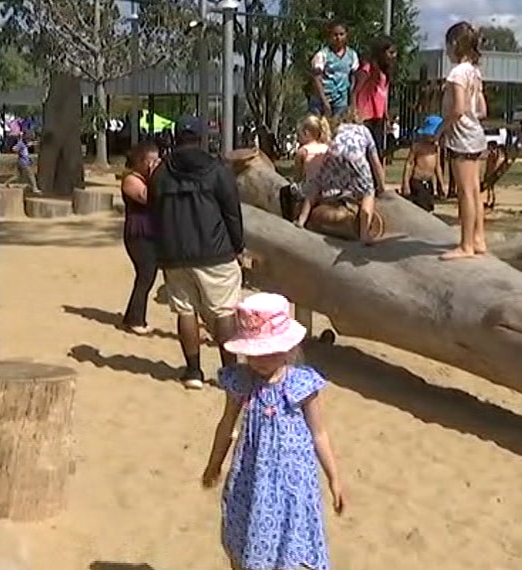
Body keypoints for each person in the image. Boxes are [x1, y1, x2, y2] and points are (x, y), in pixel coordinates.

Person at [201, 292, 344, 570]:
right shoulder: (240, 381)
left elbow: (319, 433)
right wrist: (214, 464)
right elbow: (226, 426)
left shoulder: (302, 384)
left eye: (270, 352)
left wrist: (334, 478)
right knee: (244, 536)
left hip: (293, 482)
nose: (262, 360)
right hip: (251, 475)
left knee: (291, 543)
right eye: (255, 353)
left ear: (288, 347)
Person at [148, 116, 244, 389]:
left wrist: (161, 250)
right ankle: (230, 373)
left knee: (185, 311)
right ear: (202, 138)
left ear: (176, 138)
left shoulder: (161, 173)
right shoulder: (217, 170)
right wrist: (238, 245)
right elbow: (232, 213)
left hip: (174, 254)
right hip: (215, 251)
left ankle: (193, 372)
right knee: (223, 311)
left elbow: (155, 215)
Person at [295, 108, 386, 245]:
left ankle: (302, 219)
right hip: (355, 156)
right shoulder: (365, 131)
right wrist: (381, 186)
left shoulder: (340, 128)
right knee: (368, 193)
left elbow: (336, 149)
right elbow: (375, 162)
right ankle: (364, 234)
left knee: (317, 183)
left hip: (334, 153)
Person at [437, 21, 488, 261]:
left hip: (462, 137)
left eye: (447, 45)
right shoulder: (475, 72)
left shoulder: (457, 73)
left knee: (465, 192)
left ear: (455, 44)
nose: (446, 50)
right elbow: (482, 109)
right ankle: (478, 238)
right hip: (475, 134)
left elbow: (457, 109)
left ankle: (466, 244)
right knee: (475, 190)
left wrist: (440, 129)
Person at [120, 141, 160, 334]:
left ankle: (132, 316)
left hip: (151, 232)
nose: (154, 164)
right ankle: (135, 320)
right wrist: (155, 177)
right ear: (140, 161)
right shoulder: (131, 179)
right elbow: (147, 197)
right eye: (151, 161)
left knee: (147, 276)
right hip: (138, 233)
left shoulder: (149, 179)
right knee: (145, 274)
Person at [353, 35, 397, 159]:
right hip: (365, 115)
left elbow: (384, 93)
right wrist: (355, 111)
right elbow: (355, 91)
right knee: (365, 149)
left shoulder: (386, 71)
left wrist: (386, 112)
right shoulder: (368, 69)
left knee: (376, 149)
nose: (394, 56)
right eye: (391, 52)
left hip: (378, 115)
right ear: (381, 53)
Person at [281, 115, 331, 220]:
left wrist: (294, 182)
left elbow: (298, 177)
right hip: (328, 187)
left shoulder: (303, 151)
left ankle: (289, 218)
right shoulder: (327, 148)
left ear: (306, 133)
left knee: (285, 191)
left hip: (310, 188)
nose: (298, 138)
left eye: (299, 135)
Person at [309, 21, 359, 118]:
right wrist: (325, 102)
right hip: (321, 101)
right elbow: (316, 78)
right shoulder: (322, 55)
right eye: (335, 35)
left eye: (341, 34)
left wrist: (353, 103)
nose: (338, 38)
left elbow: (353, 79)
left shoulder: (352, 55)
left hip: (341, 102)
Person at [401, 115, 445, 212]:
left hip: (429, 182)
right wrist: (405, 183)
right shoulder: (417, 146)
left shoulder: (436, 149)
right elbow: (409, 164)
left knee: (429, 206)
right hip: (417, 181)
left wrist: (440, 184)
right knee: (420, 207)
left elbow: (437, 167)